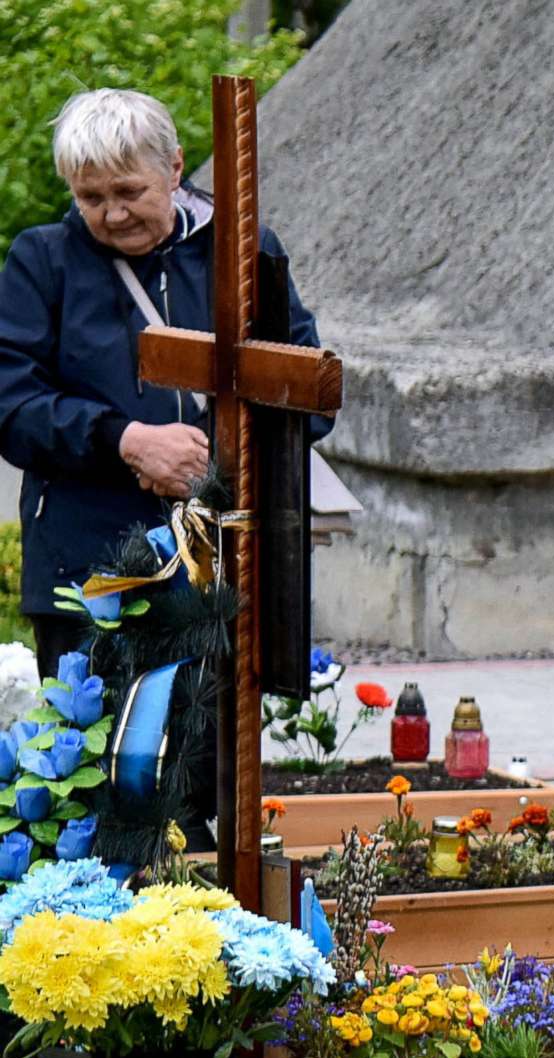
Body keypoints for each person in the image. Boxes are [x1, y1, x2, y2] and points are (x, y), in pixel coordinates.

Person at [0, 88, 327, 675]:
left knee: (211, 762)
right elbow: (11, 404)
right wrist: (127, 440)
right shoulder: (41, 263)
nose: (113, 214)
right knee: (95, 761)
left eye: (129, 192)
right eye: (91, 197)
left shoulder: (244, 252)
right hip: (87, 571)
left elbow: (309, 390)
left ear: (174, 167)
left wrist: (218, 453)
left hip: (226, 567)